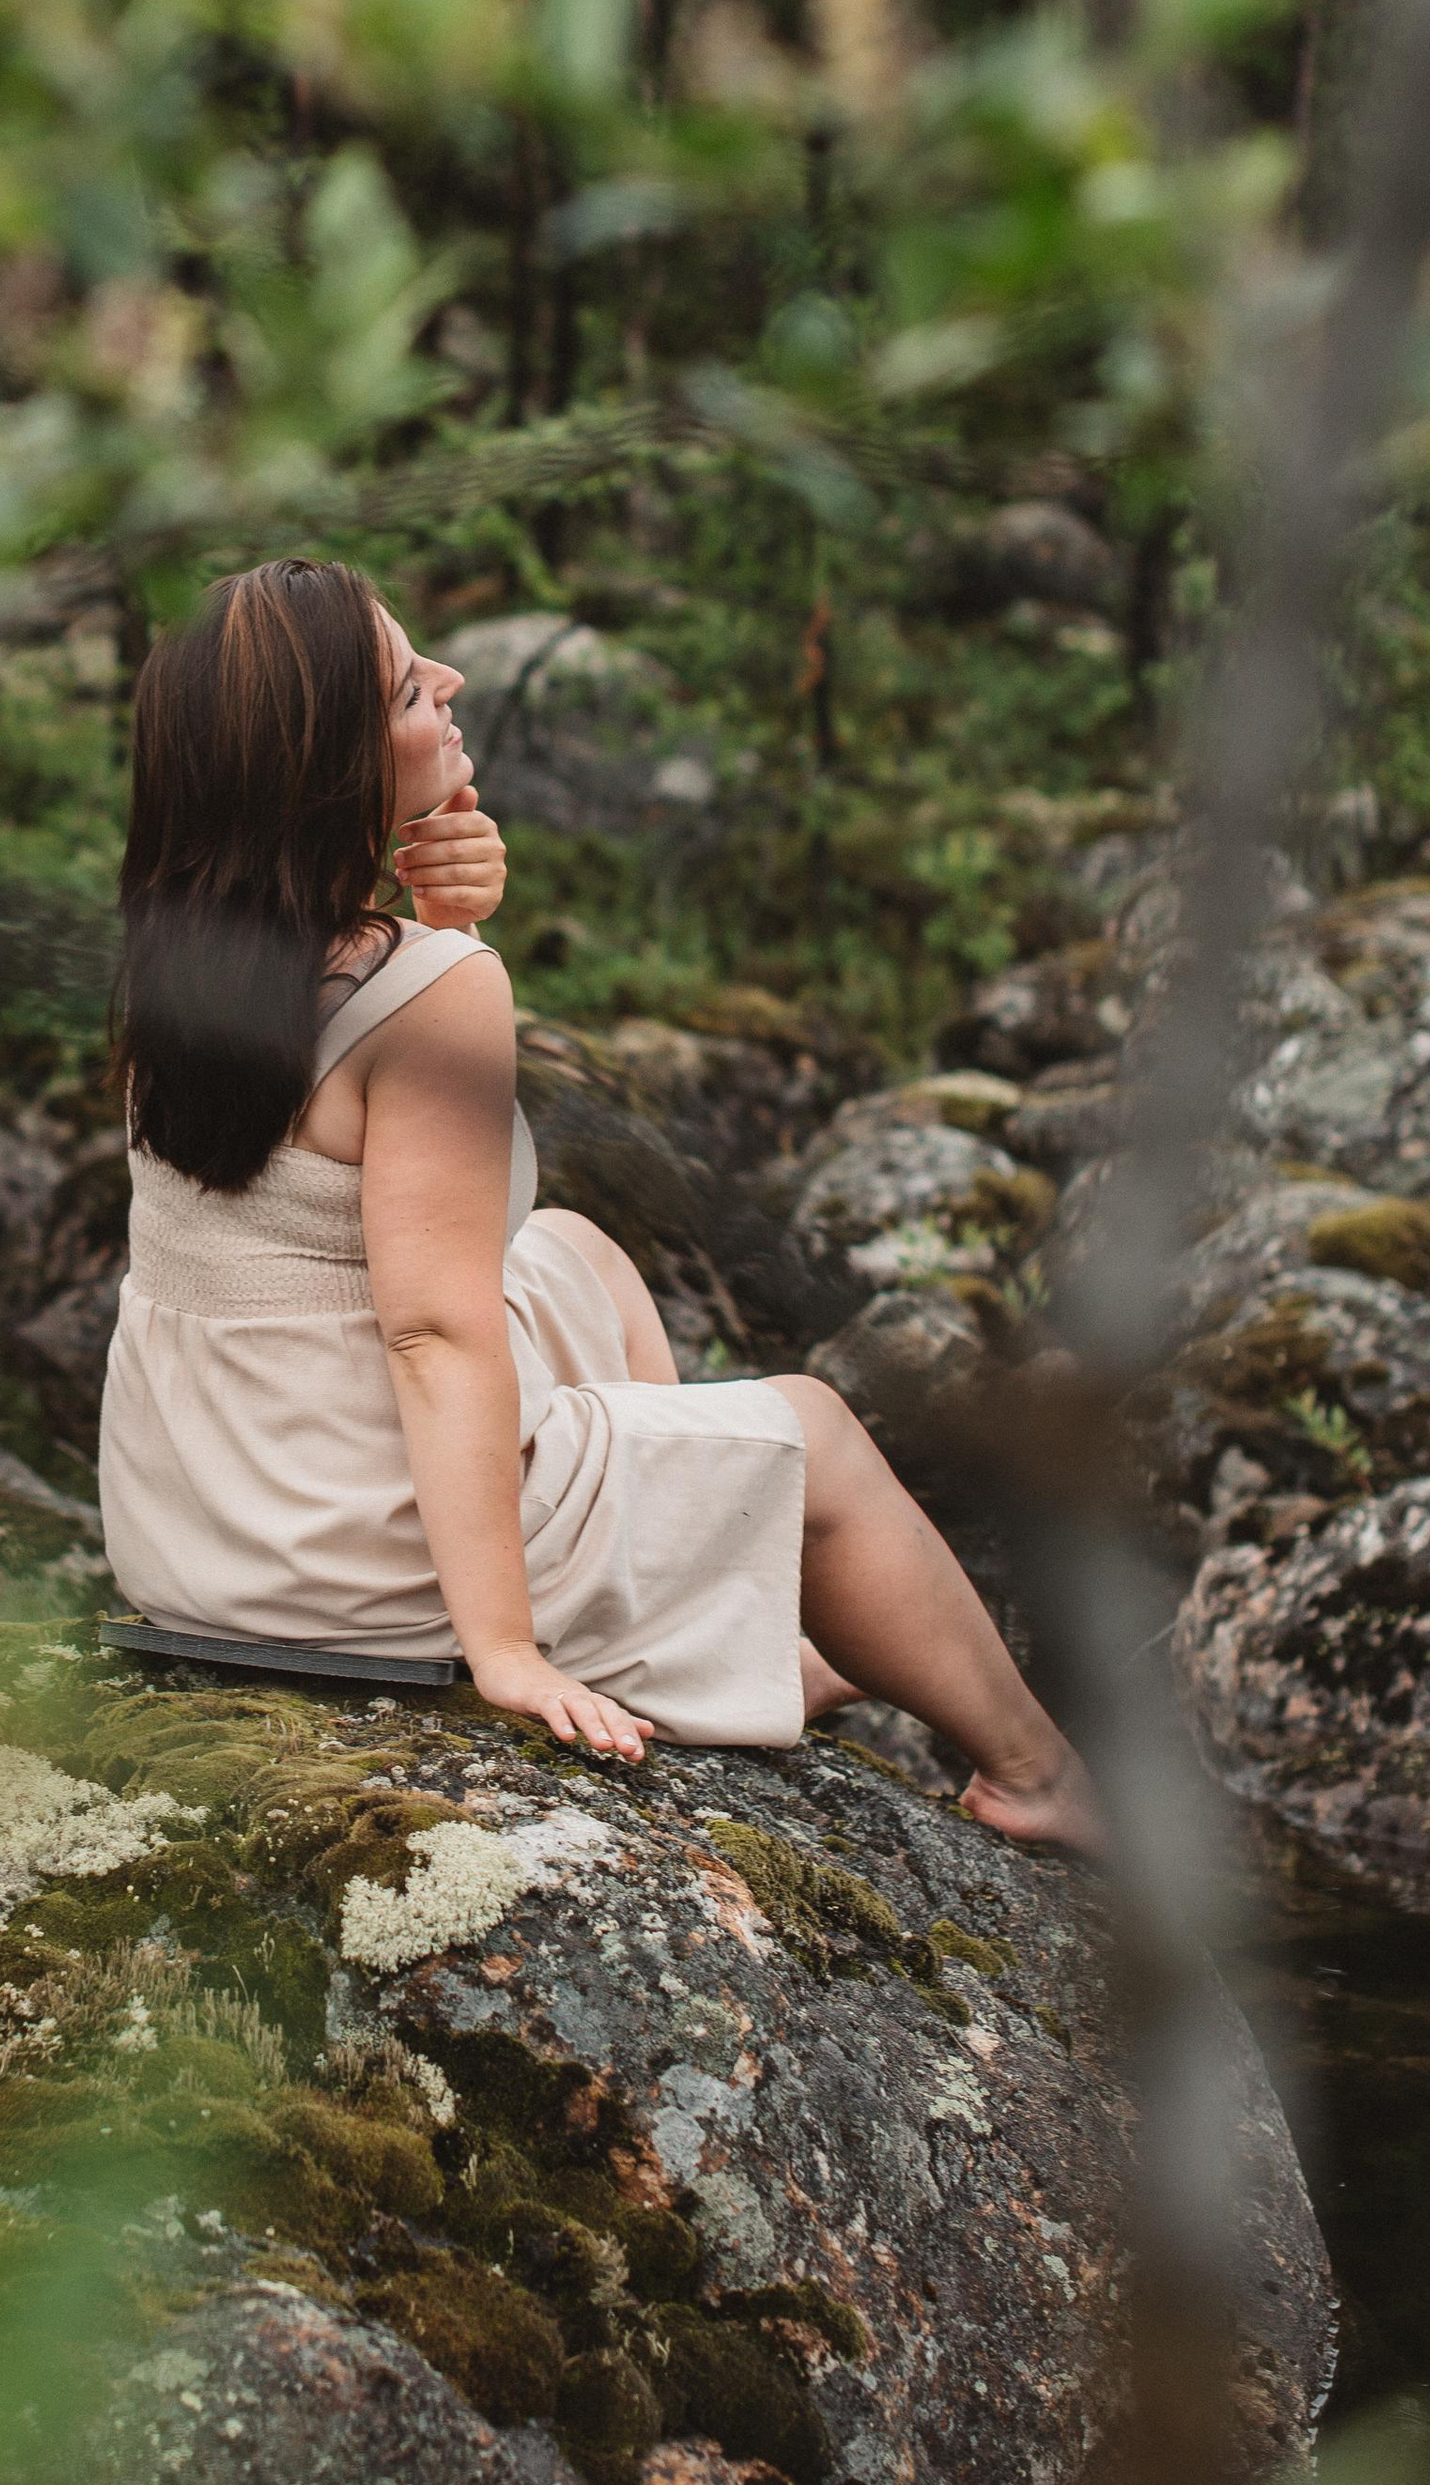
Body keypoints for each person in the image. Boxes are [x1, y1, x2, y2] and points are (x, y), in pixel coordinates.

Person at [97, 556, 1102, 1854]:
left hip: (200, 1529)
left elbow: (325, 1199)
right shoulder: (433, 990)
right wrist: (502, 1651)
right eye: (410, 686)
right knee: (814, 1431)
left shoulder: (172, 954)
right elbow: (431, 1334)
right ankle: (1036, 1774)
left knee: (577, 1254)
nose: (452, 684)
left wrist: (437, 916)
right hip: (343, 1566)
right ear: (331, 766)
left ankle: (713, 1630)